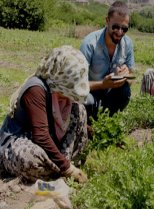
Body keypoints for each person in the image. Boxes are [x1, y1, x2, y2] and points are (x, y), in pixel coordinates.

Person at [0, 46, 90, 183]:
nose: (70, 95)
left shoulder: (62, 95)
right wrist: (68, 169)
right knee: (29, 160)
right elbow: (41, 137)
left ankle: (58, 166)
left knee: (80, 110)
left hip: (48, 143)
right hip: (21, 140)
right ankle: (61, 168)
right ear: (60, 76)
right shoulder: (36, 89)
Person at [80, 0, 135, 120]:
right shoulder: (90, 44)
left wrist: (126, 76)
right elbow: (78, 84)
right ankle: (89, 123)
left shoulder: (128, 44)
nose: (120, 32)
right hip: (92, 93)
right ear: (107, 21)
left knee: (125, 91)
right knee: (86, 100)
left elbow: (132, 78)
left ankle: (109, 121)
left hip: (111, 95)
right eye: (115, 27)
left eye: (124, 29)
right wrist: (102, 84)